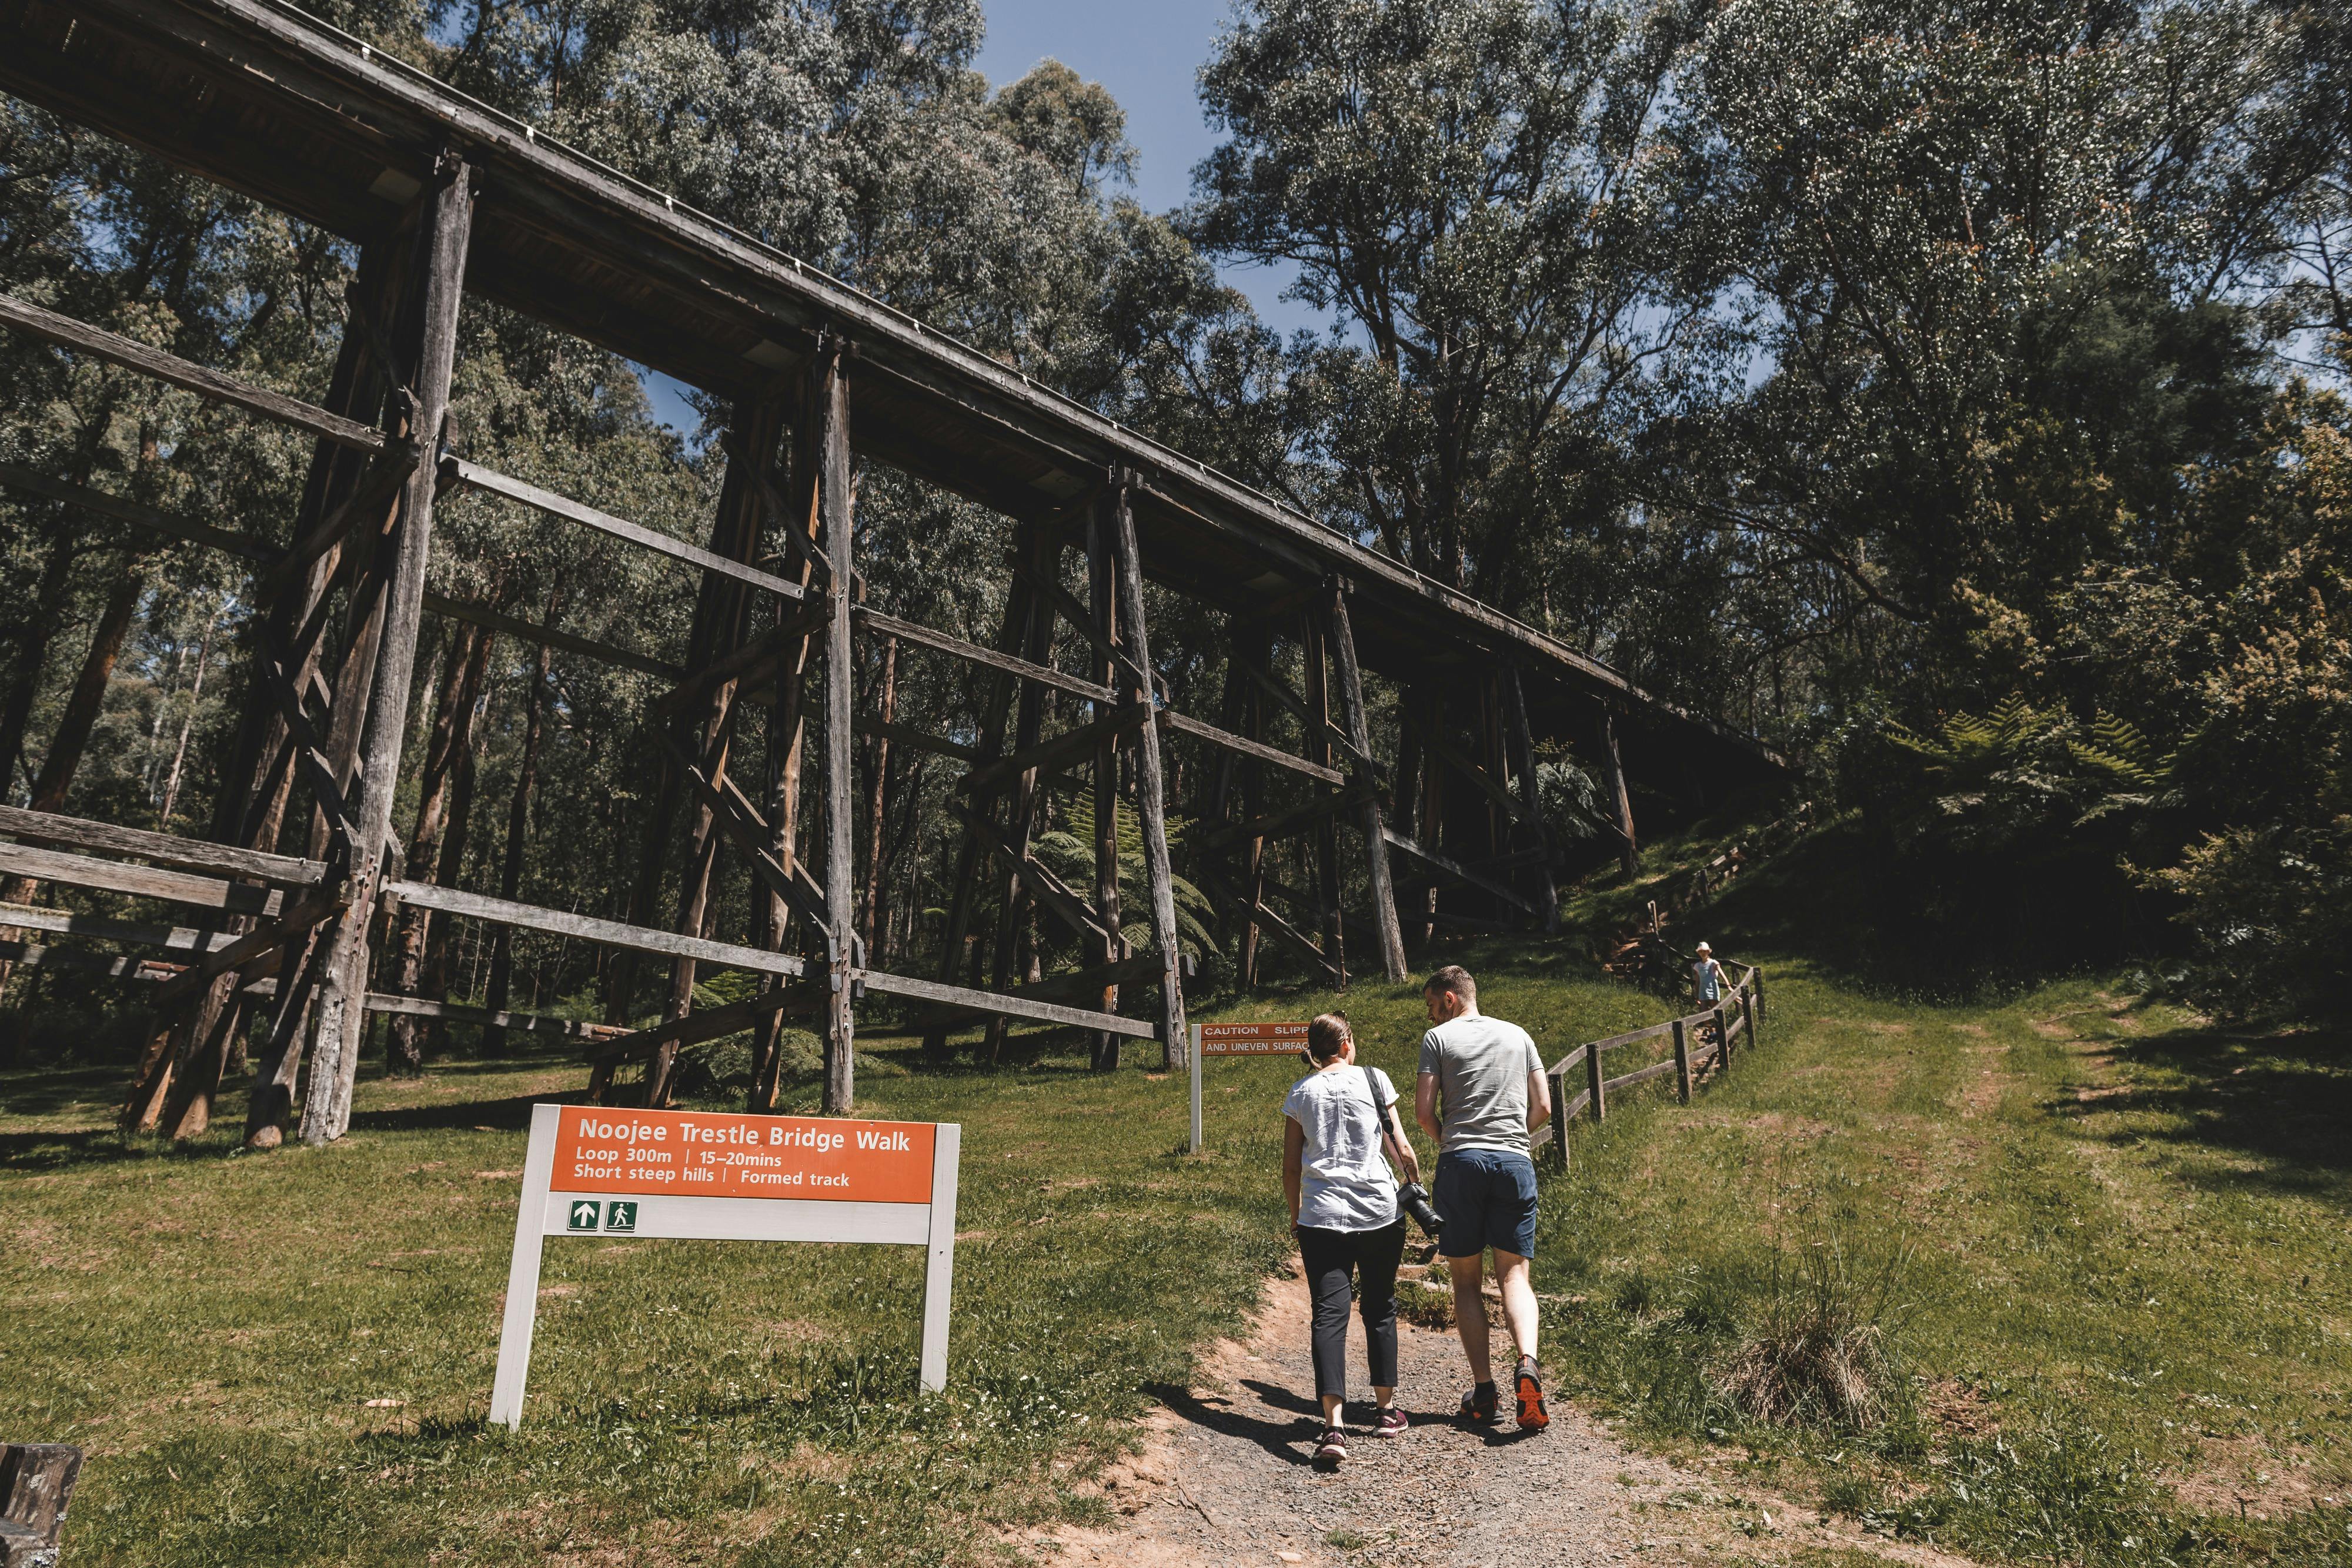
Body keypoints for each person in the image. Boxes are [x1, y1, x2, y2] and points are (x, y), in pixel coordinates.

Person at [1414, 965, 1552, 1430]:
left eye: (1433, 1006)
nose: (1432, 1017)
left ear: (1450, 999)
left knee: (1467, 1282)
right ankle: (1528, 1363)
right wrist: (1514, 1138)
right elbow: (1545, 1107)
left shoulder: (1439, 1040)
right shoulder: (1520, 1035)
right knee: (1515, 1276)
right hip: (1514, 1162)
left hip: (1462, 1163)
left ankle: (1486, 1390)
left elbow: (1423, 1112)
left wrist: (1450, 1142)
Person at [1282, 1011, 1421, 1464]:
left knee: (1328, 1314)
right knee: (1380, 1305)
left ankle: (1334, 1426)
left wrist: (1295, 1215)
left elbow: (1290, 1165)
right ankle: (1385, 1411)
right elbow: (1402, 1147)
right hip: (1379, 1212)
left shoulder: (1301, 1092)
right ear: (1346, 1044)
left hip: (1322, 1216)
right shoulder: (1375, 1080)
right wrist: (1416, 1185)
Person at [1691, 942, 1728, 1008]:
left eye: (1705, 951)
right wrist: (1697, 995)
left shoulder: (1713, 963)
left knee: (1715, 1010)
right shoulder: (1698, 966)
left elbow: (1722, 974)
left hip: (1712, 990)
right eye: (1701, 951)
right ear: (1699, 953)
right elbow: (1697, 981)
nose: (1703, 953)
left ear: (1708, 952)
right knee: (1704, 1013)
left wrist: (1728, 986)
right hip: (1702, 991)